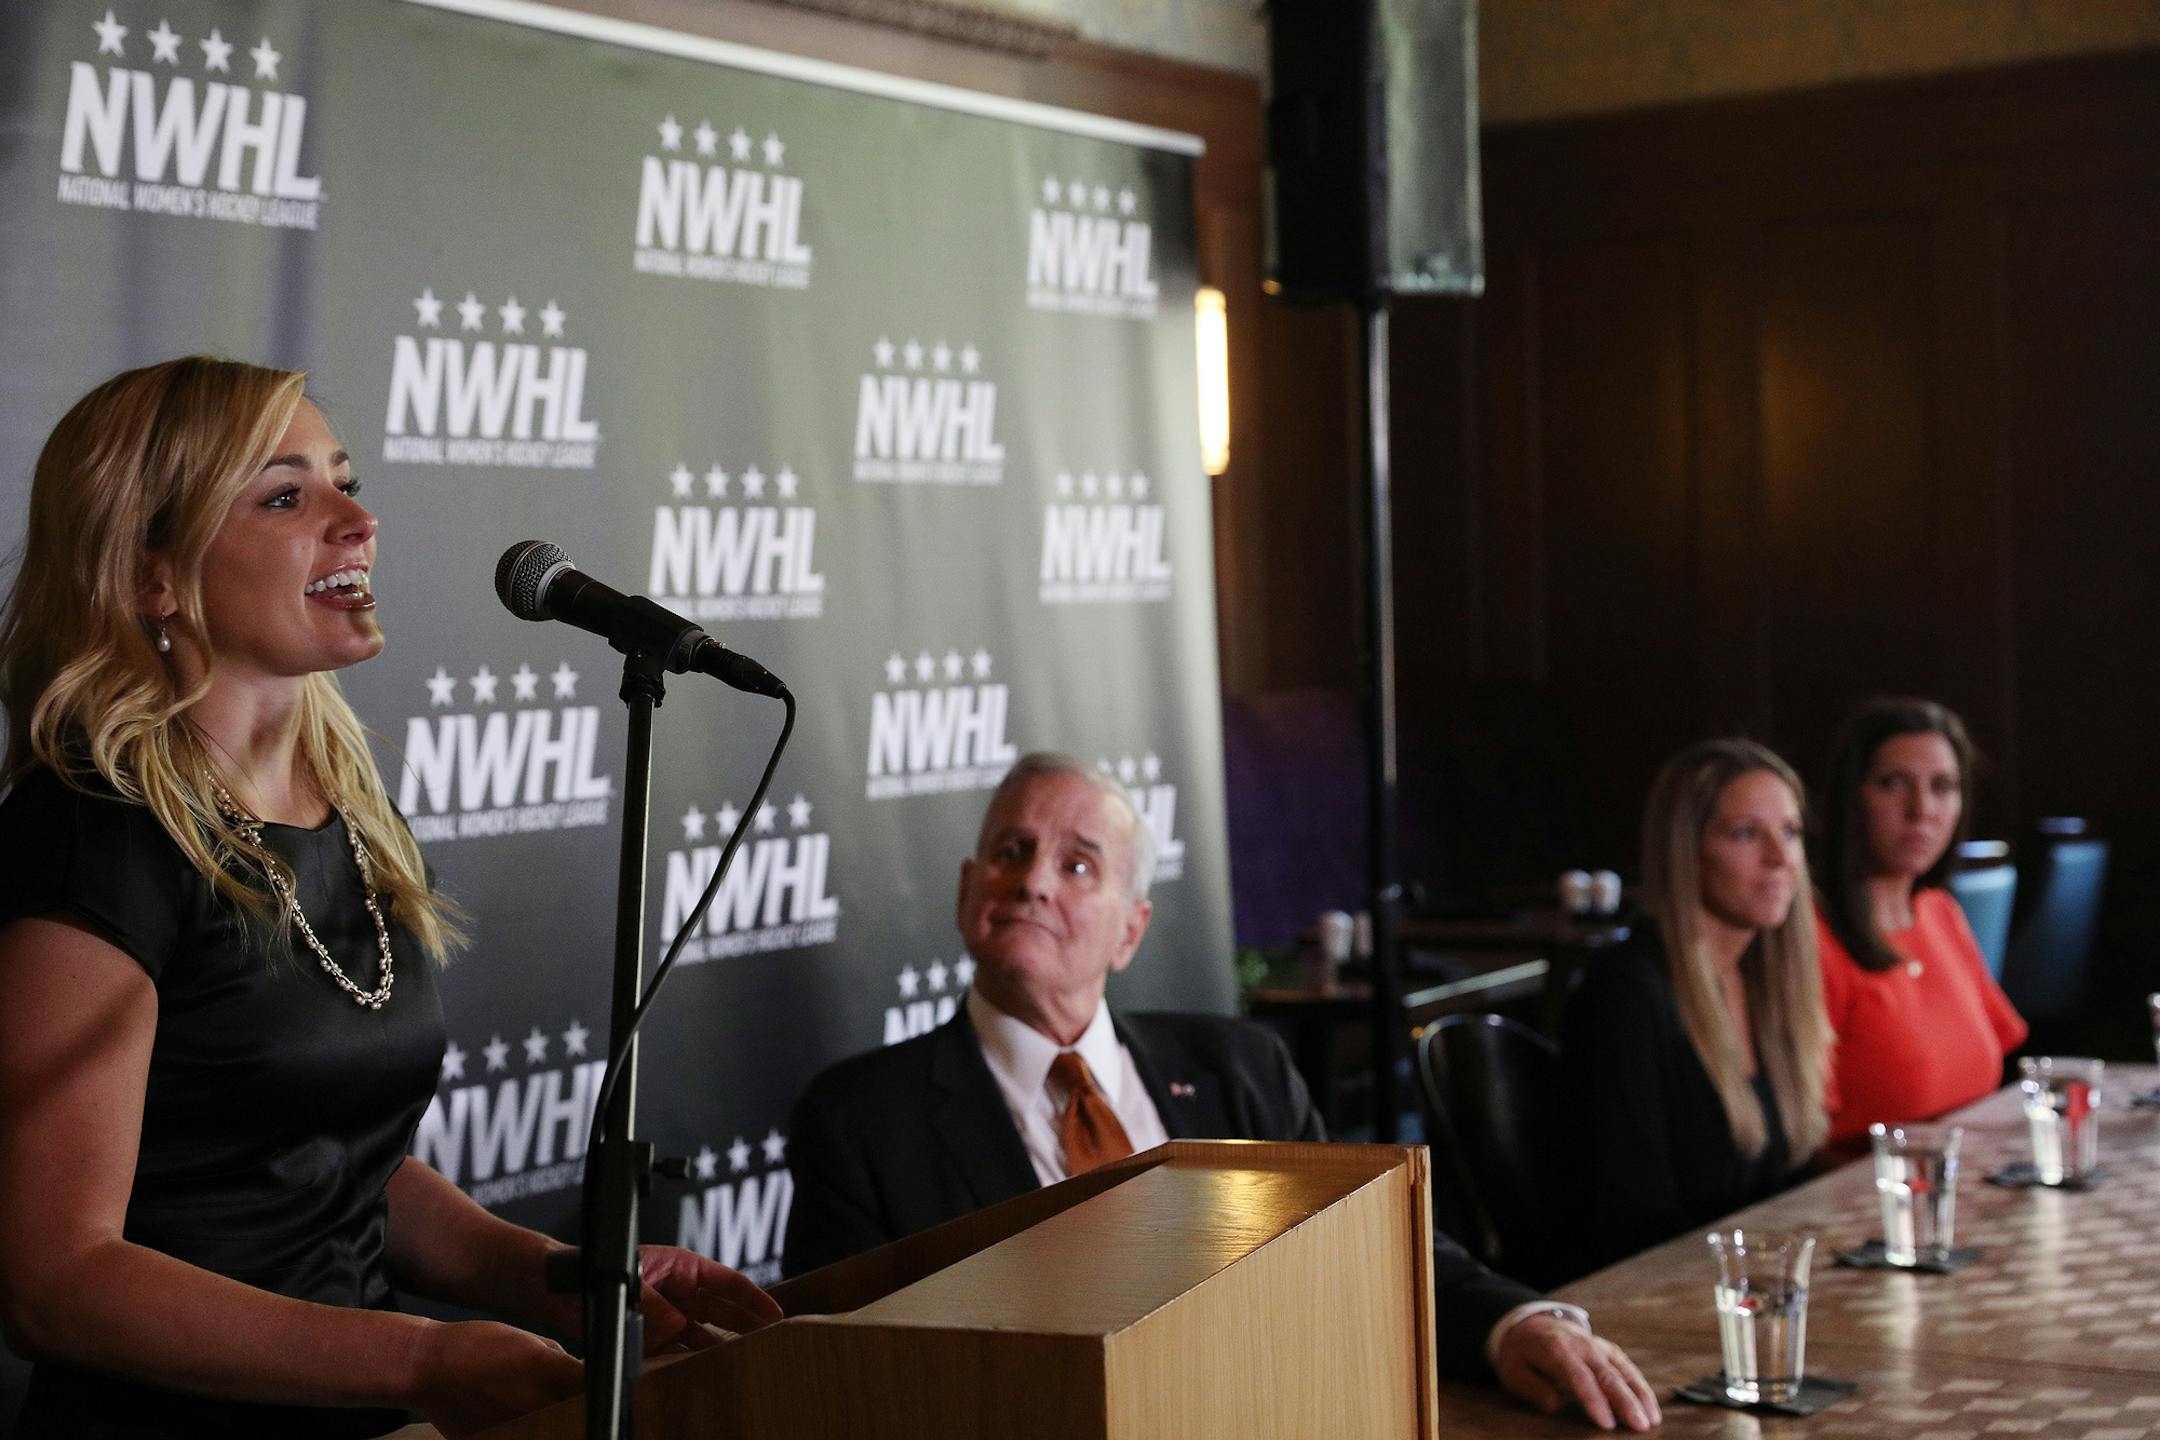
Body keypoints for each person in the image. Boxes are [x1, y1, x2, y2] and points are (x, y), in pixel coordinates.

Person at [0, 358, 780, 1439]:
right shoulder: (94, 836)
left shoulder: (352, 812)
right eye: (287, 496)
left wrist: (577, 1284)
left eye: (346, 481)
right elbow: (56, 1279)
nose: (356, 520)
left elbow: (340, 1169)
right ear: (152, 579)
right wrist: (418, 1358)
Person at [784, 752, 1660, 1433]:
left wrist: (1520, 1326)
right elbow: (835, 1392)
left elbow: (1382, 1255)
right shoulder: (862, 1121)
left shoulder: (1242, 1068)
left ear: (1132, 931)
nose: (1036, 880)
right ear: (969, 891)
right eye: (1011, 852)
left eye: (1079, 864)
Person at [1559, 740, 1834, 1272]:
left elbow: (1786, 1177)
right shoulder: (1624, 993)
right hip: (1657, 1300)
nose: (1780, 859)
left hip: (1753, 1287)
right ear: (1687, 851)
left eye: (1791, 832)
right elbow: (1632, 1222)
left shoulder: (1765, 982)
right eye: (1746, 833)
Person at [1812, 698, 2027, 1143]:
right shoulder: (1812, 937)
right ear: (1852, 795)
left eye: (1943, 786)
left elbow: (1998, 1064)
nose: (1922, 809)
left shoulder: (1938, 910)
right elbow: (1805, 1137)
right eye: (1893, 783)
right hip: (1873, 1198)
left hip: (1968, 1185)